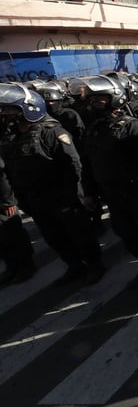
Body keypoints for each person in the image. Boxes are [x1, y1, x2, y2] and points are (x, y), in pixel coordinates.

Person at [0, 84, 104, 285]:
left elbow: (73, 166)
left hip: (61, 196)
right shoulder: (12, 137)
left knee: (79, 234)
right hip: (36, 198)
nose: (5, 114)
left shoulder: (51, 132)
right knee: (54, 237)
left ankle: (94, 264)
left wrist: (74, 196)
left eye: (9, 110)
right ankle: (74, 265)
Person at [76, 75, 138, 288]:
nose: (94, 104)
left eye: (100, 98)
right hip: (112, 194)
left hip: (136, 192)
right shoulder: (93, 130)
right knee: (127, 234)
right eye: (91, 99)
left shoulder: (133, 127)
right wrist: (89, 192)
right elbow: (89, 164)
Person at [0, 155, 35, 285]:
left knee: (13, 234)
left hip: (3, 203)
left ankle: (26, 266)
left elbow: (2, 177)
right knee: (2, 240)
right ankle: (12, 266)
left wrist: (8, 202)